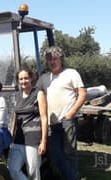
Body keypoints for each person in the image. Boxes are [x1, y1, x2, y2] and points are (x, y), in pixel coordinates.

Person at [37, 46, 87, 180]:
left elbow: (82, 94)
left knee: (69, 153)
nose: (52, 62)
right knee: (55, 154)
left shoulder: (71, 73)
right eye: (49, 59)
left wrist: (71, 114)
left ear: (61, 59)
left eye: (54, 59)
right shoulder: (44, 78)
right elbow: (34, 93)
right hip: (52, 123)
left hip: (67, 121)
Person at [7, 66, 48, 180]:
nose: (23, 81)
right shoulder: (16, 96)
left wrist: (43, 141)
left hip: (33, 139)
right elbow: (14, 118)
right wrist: (11, 137)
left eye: (26, 78)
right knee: (12, 169)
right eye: (21, 79)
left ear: (31, 79)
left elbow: (44, 118)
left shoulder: (38, 94)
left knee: (33, 172)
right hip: (18, 139)